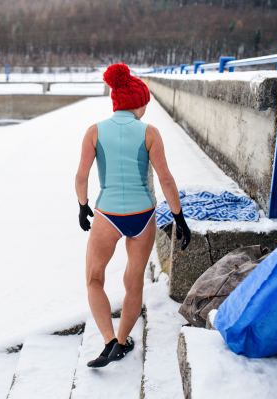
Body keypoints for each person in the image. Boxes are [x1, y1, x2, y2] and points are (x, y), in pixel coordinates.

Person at [74, 63, 191, 368]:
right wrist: (179, 218)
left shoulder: (94, 131)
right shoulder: (149, 132)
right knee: (134, 281)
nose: (145, 110)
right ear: (136, 102)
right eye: (144, 104)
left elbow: (81, 177)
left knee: (94, 278)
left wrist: (83, 206)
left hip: (107, 214)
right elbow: (165, 179)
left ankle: (109, 341)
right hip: (142, 214)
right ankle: (123, 342)